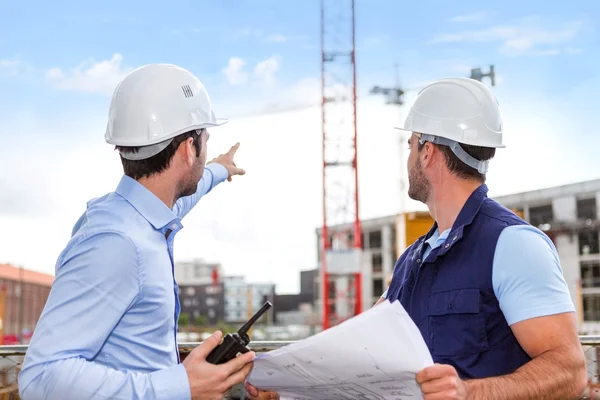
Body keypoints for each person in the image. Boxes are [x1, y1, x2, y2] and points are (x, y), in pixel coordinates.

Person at [247, 77, 589, 400]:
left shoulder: (513, 244)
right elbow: (358, 357)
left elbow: (570, 371)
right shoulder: (412, 259)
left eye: (411, 144)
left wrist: (470, 393)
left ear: (427, 152)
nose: (409, 156)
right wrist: (288, 389)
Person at [18, 63, 259, 400]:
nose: (205, 150)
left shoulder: (139, 215)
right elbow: (41, 379)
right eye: (205, 139)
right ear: (190, 149)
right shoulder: (117, 243)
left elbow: (190, 191)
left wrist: (220, 168)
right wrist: (181, 387)